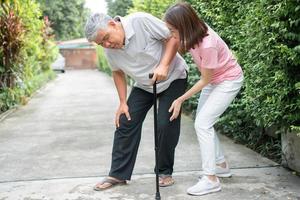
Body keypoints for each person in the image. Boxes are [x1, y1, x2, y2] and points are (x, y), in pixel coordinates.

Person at [85, 12, 188, 190]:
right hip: (145, 84)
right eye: (101, 43)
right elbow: (117, 72)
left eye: (107, 38)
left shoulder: (140, 21)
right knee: (125, 120)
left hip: (173, 77)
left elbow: (172, 38)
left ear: (113, 24)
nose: (107, 45)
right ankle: (118, 174)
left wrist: (163, 65)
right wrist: (123, 102)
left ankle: (164, 171)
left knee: (165, 122)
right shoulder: (110, 50)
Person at [164, 2, 244, 196]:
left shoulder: (207, 44)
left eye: (173, 30)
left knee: (202, 124)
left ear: (184, 26)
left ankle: (211, 179)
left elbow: (205, 79)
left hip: (228, 81)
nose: (171, 34)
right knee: (203, 122)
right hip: (213, 80)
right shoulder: (193, 34)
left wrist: (180, 99)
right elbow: (208, 78)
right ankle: (221, 165)